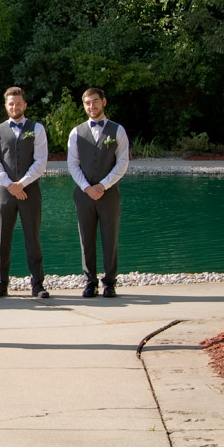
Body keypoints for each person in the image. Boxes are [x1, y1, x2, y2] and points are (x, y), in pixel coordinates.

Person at [0, 85, 49, 299]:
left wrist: (22, 183)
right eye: (11, 104)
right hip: (4, 192)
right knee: (2, 239)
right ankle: (1, 283)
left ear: (25, 105)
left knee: (33, 237)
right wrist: (11, 186)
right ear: (6, 106)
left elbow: (40, 162)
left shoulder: (37, 129)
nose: (15, 107)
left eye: (18, 103)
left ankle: (38, 284)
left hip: (30, 191)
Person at [67, 86, 130, 298]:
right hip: (83, 194)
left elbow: (122, 163)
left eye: (95, 101)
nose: (91, 106)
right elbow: (72, 164)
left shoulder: (118, 130)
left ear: (104, 102)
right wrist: (87, 187)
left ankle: (110, 282)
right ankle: (90, 281)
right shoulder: (76, 132)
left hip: (109, 193)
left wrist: (103, 185)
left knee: (110, 237)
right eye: (87, 103)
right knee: (86, 238)